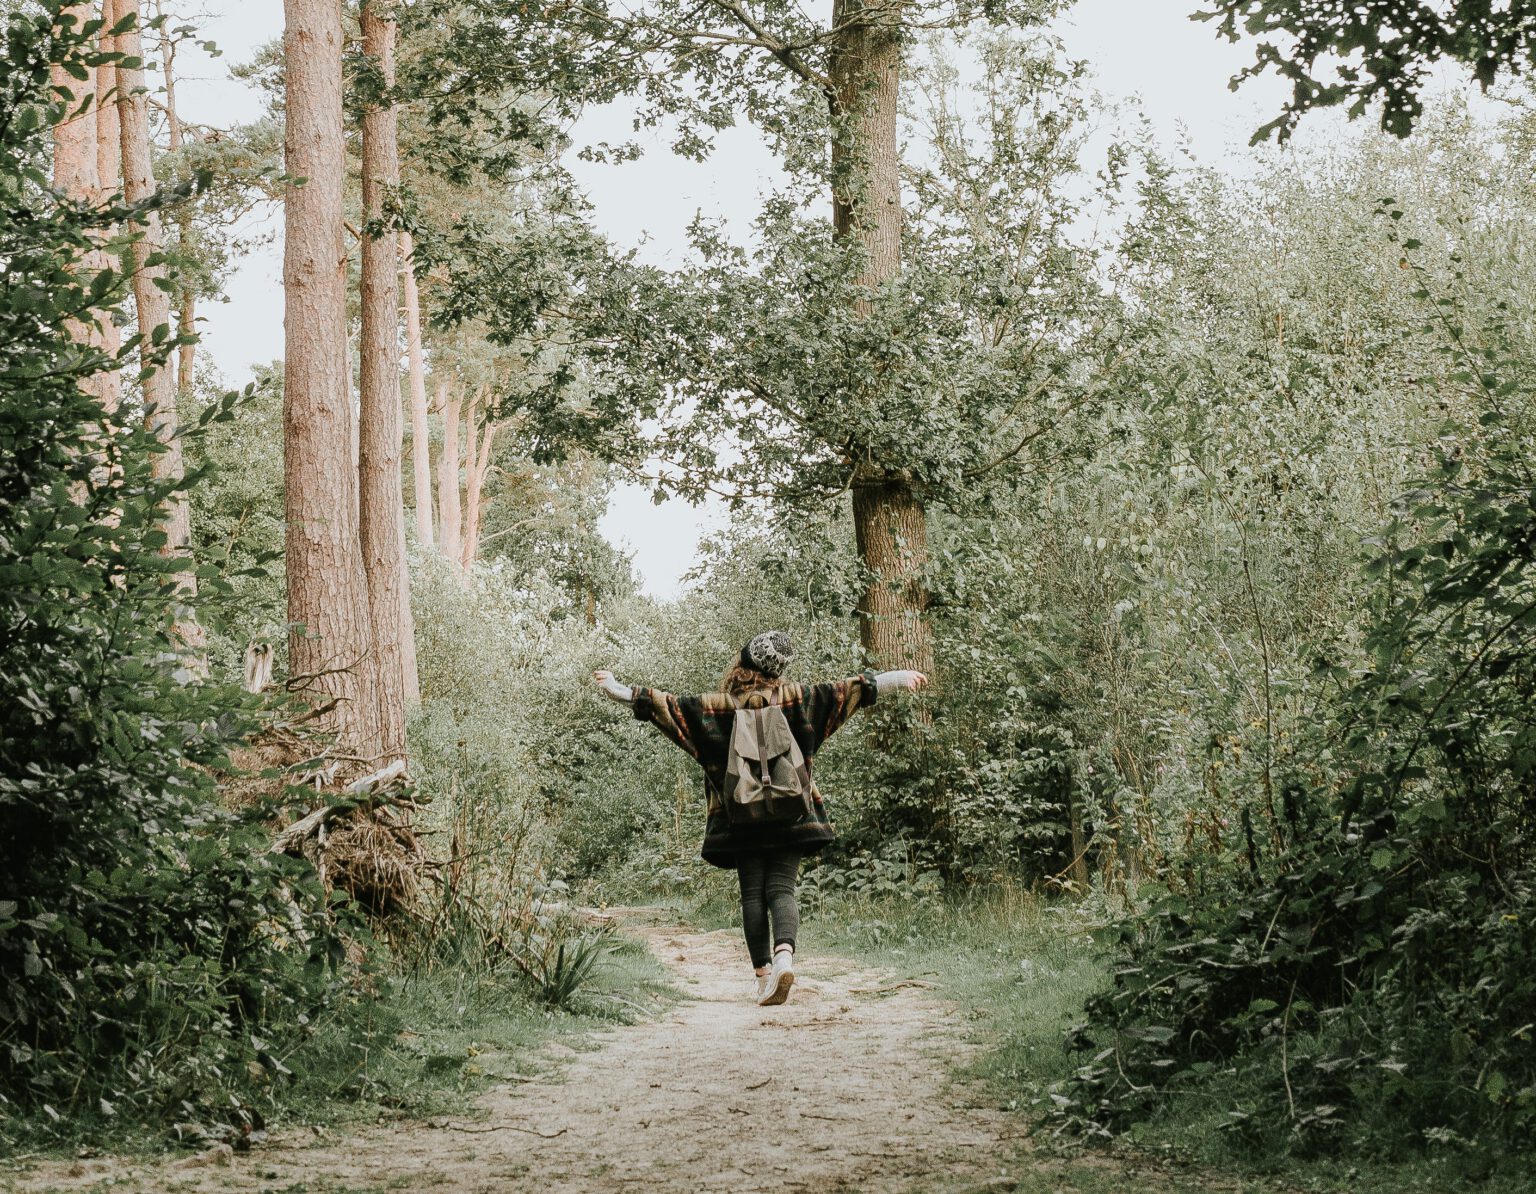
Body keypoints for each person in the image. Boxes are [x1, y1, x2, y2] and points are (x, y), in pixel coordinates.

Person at [593, 630, 927, 1006]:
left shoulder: (716, 708)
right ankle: (785, 956)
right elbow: (847, 691)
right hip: (792, 815)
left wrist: (618, 688)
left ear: (744, 662)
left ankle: (763, 977)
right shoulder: (799, 700)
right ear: (778, 669)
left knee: (753, 893)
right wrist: (899, 677)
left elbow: (666, 707)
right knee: (782, 890)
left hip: (740, 817)